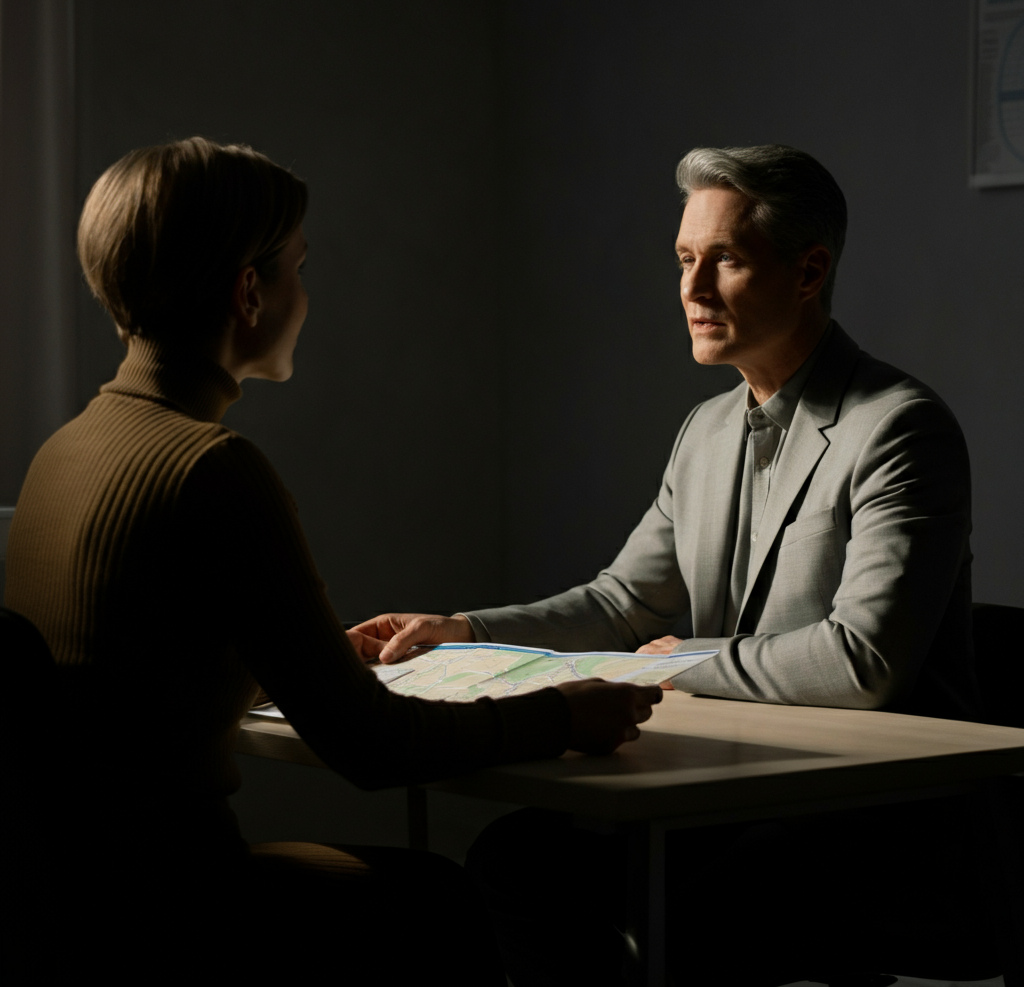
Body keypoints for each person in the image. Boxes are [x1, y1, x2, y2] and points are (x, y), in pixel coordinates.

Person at [3, 137, 662, 981]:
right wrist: (562, 716)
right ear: (249, 290)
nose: (306, 299)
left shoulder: (63, 452)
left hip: (72, 898)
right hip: (177, 902)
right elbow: (373, 747)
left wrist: (293, 661)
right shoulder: (213, 470)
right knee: (437, 900)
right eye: (299, 271)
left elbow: (130, 679)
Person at [352, 146, 995, 984]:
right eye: (686, 260)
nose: (690, 292)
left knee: (683, 919)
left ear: (809, 271)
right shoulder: (706, 432)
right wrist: (460, 630)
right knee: (514, 861)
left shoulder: (900, 428)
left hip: (874, 824)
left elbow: (863, 661)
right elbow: (623, 604)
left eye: (723, 260)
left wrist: (685, 662)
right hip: (744, 790)